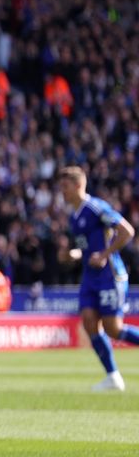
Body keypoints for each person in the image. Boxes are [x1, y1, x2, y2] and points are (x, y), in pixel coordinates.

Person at [57, 166, 139, 391]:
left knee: (113, 328)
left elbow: (127, 231)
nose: (61, 192)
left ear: (77, 185)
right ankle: (113, 376)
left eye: (64, 187)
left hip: (109, 276)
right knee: (89, 321)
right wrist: (75, 254)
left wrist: (105, 254)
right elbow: (88, 249)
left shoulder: (95, 207)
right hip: (90, 277)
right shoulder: (74, 217)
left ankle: (113, 376)